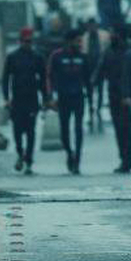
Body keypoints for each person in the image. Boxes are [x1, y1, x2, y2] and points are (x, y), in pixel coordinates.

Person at [2, 27, 46, 174]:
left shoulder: (37, 57)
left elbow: (43, 80)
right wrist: (6, 98)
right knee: (17, 131)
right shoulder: (12, 57)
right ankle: (20, 153)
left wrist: (45, 99)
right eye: (26, 41)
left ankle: (29, 160)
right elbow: (5, 78)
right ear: (20, 41)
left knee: (31, 131)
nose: (28, 44)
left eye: (30, 41)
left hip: (32, 99)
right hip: (17, 100)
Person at [46, 28, 90, 175]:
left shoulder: (83, 57)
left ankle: (77, 160)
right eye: (78, 41)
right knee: (64, 132)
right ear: (70, 41)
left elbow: (88, 80)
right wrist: (50, 97)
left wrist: (91, 102)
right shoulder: (57, 56)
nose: (80, 43)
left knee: (78, 129)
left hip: (78, 97)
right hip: (63, 99)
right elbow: (49, 77)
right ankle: (69, 153)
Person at [97, 26, 131, 174]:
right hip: (114, 97)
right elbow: (100, 71)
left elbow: (127, 77)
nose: (112, 36)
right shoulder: (108, 52)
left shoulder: (128, 53)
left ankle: (128, 160)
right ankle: (124, 159)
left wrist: (127, 95)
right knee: (120, 131)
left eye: (114, 33)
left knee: (128, 130)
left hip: (126, 98)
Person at [82, 18, 103, 131]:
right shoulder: (85, 37)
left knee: (99, 89)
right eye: (90, 26)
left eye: (93, 25)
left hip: (99, 67)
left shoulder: (102, 36)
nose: (92, 28)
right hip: (88, 68)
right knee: (89, 90)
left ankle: (98, 108)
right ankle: (91, 107)